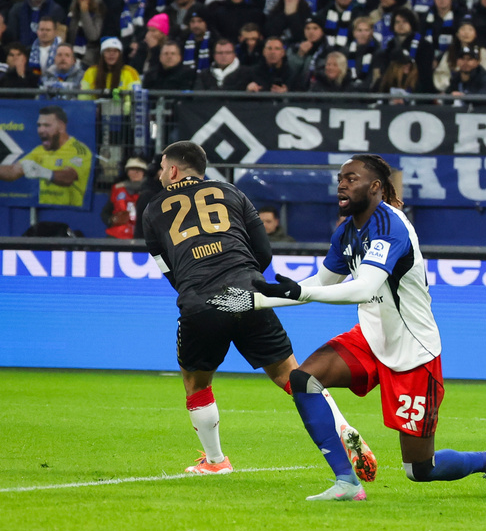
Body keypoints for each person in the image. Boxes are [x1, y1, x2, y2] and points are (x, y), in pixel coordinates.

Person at [207, 154, 486, 503]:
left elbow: (364, 288)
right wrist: (258, 301)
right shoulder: (347, 232)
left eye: (352, 178)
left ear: (375, 187)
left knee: (420, 469)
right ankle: (347, 483)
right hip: (369, 338)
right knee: (303, 378)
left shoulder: (390, 225)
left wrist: (300, 291)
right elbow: (322, 281)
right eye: (340, 177)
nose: (342, 183)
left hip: (412, 351)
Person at [142, 141, 377, 482]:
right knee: (291, 376)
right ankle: (343, 426)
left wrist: (198, 290)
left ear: (174, 170)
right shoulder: (232, 193)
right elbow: (263, 251)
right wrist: (246, 279)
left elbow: (168, 269)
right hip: (249, 295)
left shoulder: (152, 210)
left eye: (163, 167)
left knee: (196, 382)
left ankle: (216, 459)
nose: (161, 174)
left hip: (199, 301)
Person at [0, 105, 92, 206]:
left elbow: (69, 177)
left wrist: (44, 173)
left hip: (70, 212)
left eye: (47, 125)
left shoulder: (79, 150)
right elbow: (13, 171)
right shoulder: (40, 151)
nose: (41, 130)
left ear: (61, 126)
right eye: (39, 125)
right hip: (45, 209)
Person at [102, 156, 146, 239]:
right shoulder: (118, 189)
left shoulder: (150, 191)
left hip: (140, 237)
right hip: (117, 236)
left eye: (138, 170)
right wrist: (111, 220)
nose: (135, 173)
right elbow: (105, 212)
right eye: (131, 169)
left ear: (144, 172)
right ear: (127, 172)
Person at [66, 0, 104, 66]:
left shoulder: (98, 16)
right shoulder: (72, 15)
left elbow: (93, 36)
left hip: (90, 57)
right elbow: (69, 38)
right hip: (72, 55)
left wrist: (84, 13)